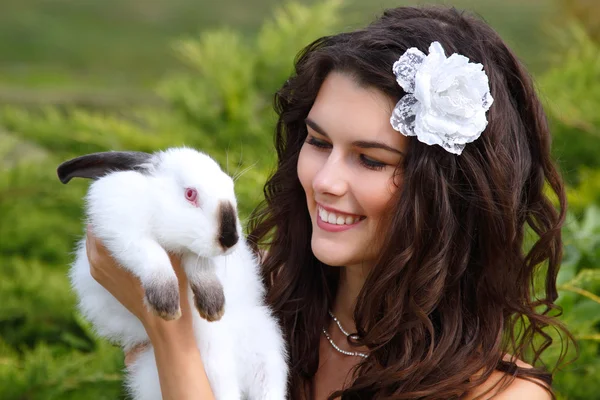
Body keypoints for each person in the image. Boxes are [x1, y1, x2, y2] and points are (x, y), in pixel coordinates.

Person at [84, 5, 573, 399]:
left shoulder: (499, 394)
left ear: (446, 193)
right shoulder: (257, 293)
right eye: (318, 143)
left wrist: (173, 336)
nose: (325, 180)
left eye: (371, 160)